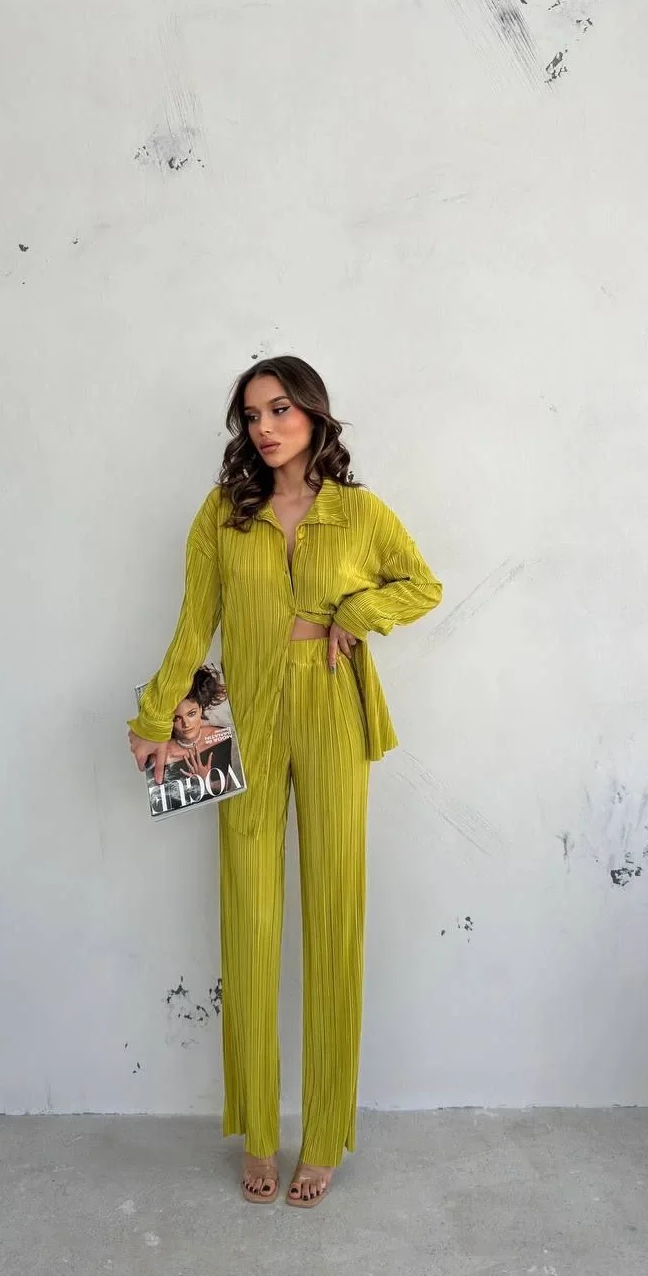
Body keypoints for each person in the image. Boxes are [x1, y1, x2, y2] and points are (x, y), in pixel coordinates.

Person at [127, 356, 442, 1208]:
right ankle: (260, 1134)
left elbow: (422, 584)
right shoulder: (224, 514)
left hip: (332, 709)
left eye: (279, 410)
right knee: (251, 918)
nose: (264, 428)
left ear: (313, 414)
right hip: (248, 715)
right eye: (252, 415)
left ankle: (326, 1134)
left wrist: (358, 611)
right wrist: (156, 717)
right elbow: (194, 624)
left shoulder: (359, 512)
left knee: (335, 915)